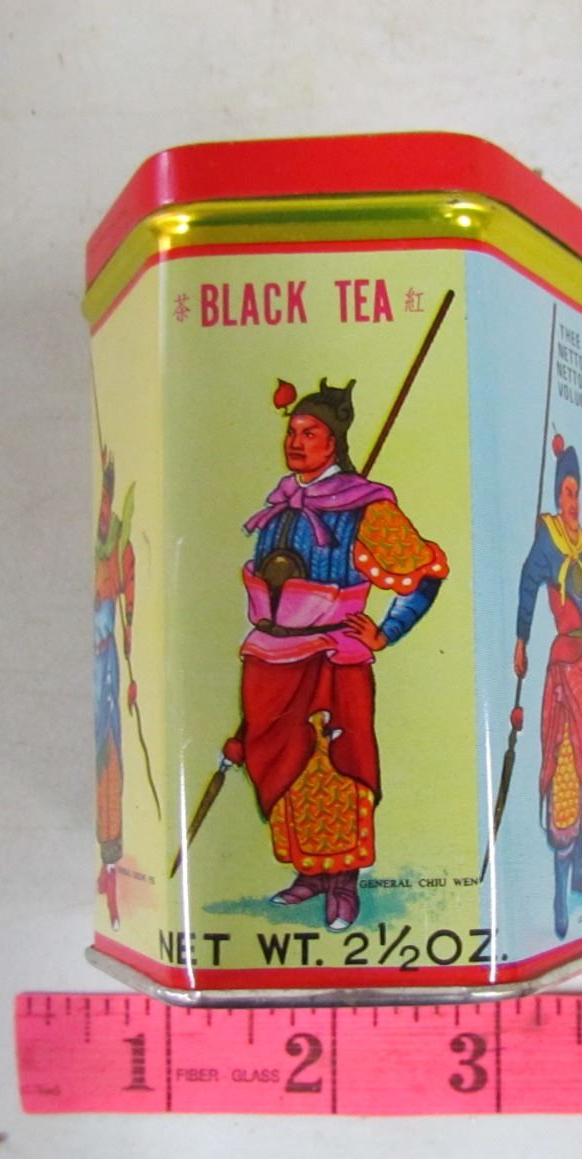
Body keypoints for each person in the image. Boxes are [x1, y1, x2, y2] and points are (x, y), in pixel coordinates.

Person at [224, 378, 446, 931]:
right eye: (293, 432)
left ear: (334, 442)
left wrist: (387, 632)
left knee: (334, 767)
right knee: (283, 766)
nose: (297, 442)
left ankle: (344, 883)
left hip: (332, 659)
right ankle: (309, 873)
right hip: (271, 658)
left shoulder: (364, 506)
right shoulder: (280, 505)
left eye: (310, 433)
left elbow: (425, 572)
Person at [514, 436, 582, 938]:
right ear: (556, 494)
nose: (573, 502)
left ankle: (581, 866)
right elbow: (528, 584)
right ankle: (559, 892)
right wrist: (521, 640)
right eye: (567, 492)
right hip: (564, 669)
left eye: (577, 493)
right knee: (566, 765)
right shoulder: (548, 539)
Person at [94, 443, 137, 929]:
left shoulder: (116, 549)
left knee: (109, 748)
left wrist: (126, 636)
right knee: (102, 749)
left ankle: (112, 853)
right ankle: (108, 859)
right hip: (98, 662)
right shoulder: (101, 550)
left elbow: (126, 590)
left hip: (106, 666)